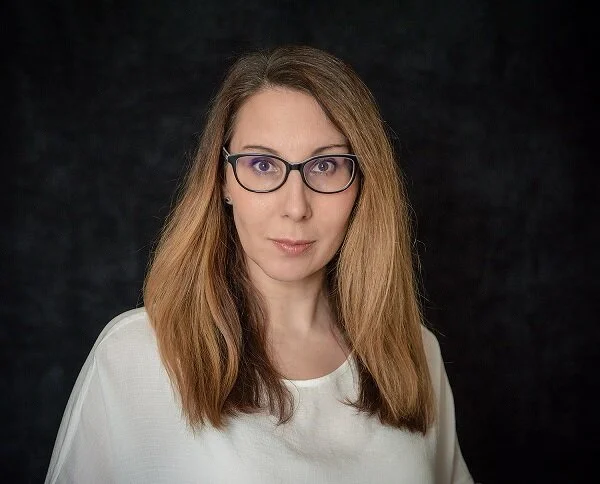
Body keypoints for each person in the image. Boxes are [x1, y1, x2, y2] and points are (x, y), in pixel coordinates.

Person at [45, 45, 475, 484]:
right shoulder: (135, 354)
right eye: (263, 164)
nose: (296, 207)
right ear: (222, 179)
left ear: (363, 182)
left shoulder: (414, 354)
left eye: (326, 165)